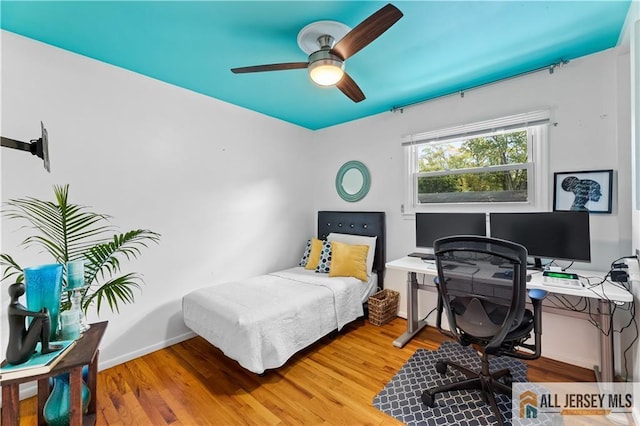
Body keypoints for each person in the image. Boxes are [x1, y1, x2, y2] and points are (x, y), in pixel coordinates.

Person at [6, 282, 62, 365]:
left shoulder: (17, 305)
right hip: (18, 354)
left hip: (17, 350)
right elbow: (36, 315)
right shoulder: (13, 308)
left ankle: (44, 346)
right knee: (44, 315)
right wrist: (43, 314)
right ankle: (45, 347)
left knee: (44, 312)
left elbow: (32, 313)